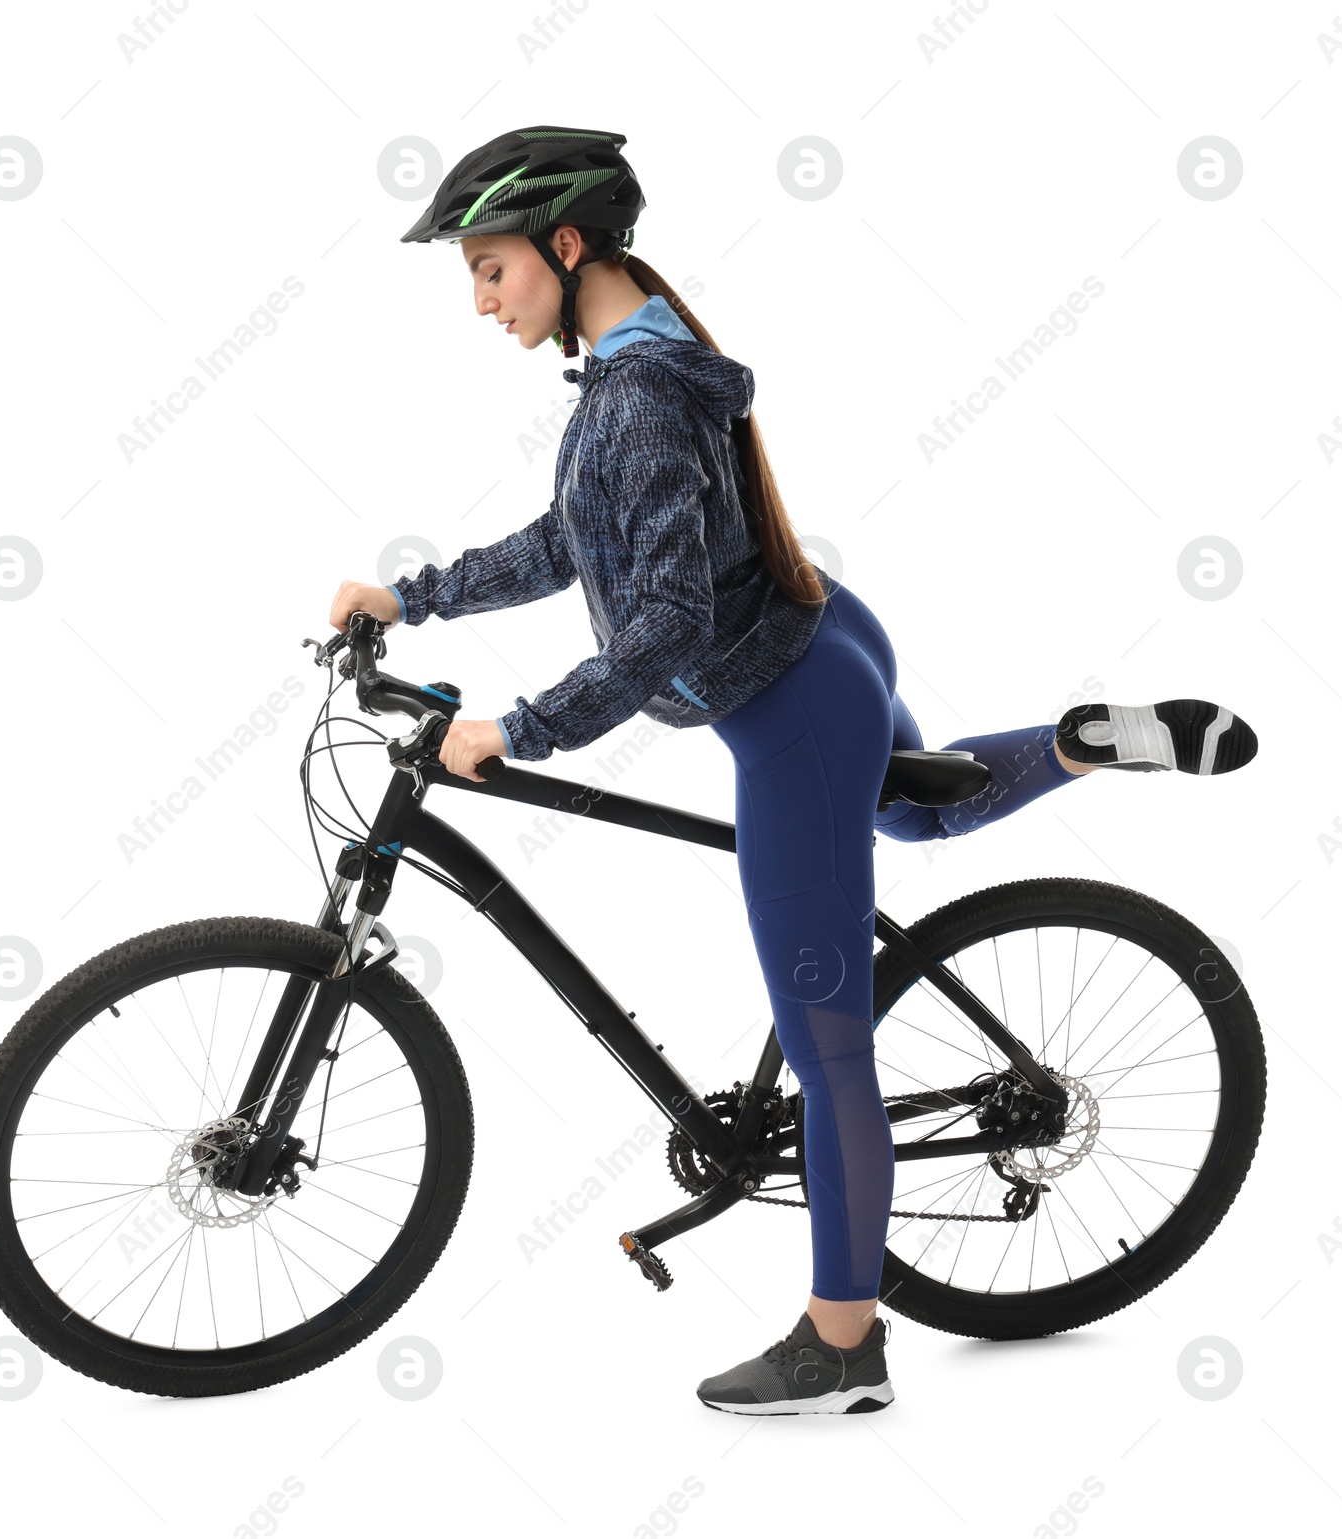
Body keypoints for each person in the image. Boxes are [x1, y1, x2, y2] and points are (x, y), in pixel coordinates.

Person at [328, 125, 1259, 1416]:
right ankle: (1073, 745)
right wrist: (414, 597)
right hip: (826, 643)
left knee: (831, 1052)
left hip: (788, 707)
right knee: (912, 822)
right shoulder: (632, 368)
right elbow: (571, 542)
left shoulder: (641, 391)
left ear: (565, 243)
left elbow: (659, 627)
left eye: (489, 271)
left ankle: (845, 1343)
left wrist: (519, 729)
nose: (481, 303)